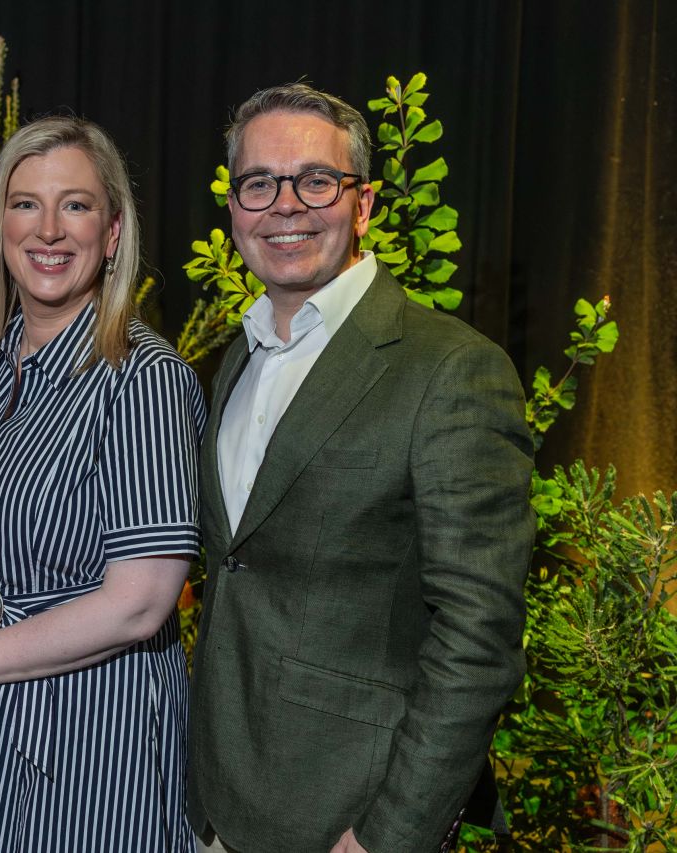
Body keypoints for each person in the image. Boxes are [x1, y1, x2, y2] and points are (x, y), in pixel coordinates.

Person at [186, 82, 535, 853]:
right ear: (235, 208)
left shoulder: (451, 369)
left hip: (349, 816)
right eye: (259, 184)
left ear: (365, 203)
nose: (286, 205)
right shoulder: (237, 357)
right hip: (219, 806)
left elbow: (479, 638)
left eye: (316, 180)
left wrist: (389, 835)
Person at [0, 116, 204, 852]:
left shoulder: (145, 381)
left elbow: (139, 604)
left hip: (82, 724)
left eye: (77, 205)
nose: (49, 229)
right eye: (26, 203)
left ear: (114, 232)